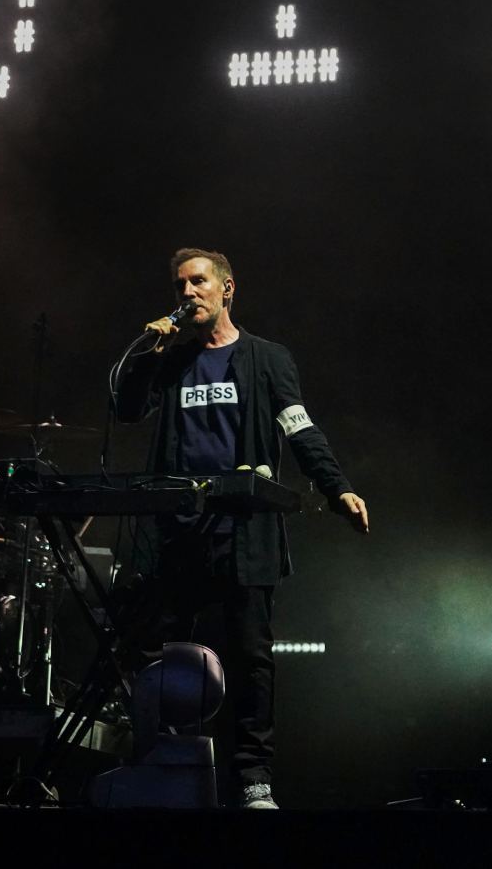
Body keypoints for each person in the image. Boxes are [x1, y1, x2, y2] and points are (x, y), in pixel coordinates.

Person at [112, 248, 369, 810]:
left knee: (252, 656)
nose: (187, 293)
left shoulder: (267, 359)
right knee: (169, 654)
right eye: (180, 284)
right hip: (178, 529)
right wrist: (149, 353)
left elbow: (299, 429)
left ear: (227, 289)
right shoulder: (173, 360)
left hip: (243, 528)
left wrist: (336, 486)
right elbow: (128, 409)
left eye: (198, 282)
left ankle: (254, 775)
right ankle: (167, 761)